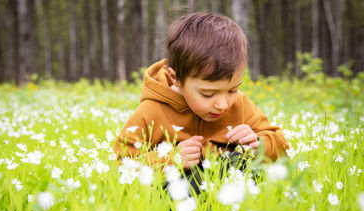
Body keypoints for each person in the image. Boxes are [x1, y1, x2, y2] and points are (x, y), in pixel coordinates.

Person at [115, 12, 289, 189]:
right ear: (175, 78)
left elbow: (282, 145)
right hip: (180, 189)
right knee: (184, 183)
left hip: (227, 185)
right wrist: (171, 159)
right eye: (207, 94)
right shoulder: (152, 110)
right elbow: (122, 164)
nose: (223, 104)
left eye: (232, 90)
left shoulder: (240, 104)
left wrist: (257, 145)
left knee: (240, 164)